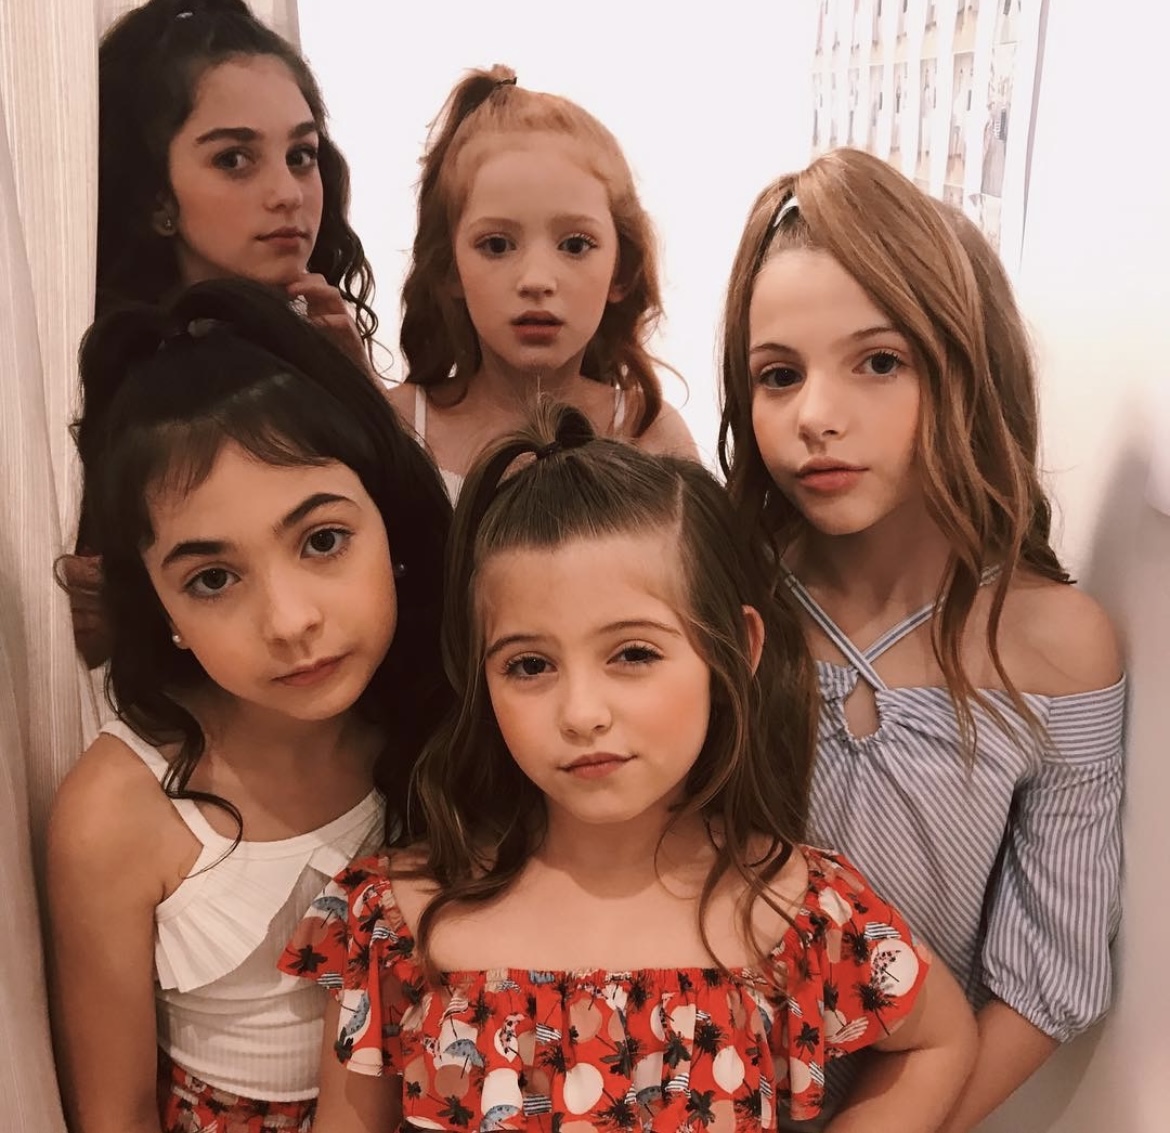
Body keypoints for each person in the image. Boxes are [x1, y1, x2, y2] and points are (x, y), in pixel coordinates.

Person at [282, 404, 978, 1133]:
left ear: (735, 647)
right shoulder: (398, 920)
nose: (581, 713)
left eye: (633, 653)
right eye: (529, 665)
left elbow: (938, 1039)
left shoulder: (796, 912)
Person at [718, 147, 1124, 1130]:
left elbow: (1051, 970)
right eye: (779, 374)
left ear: (967, 367)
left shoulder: (1056, 645)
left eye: (879, 361)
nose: (817, 415)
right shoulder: (723, 597)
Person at [47, 279, 451, 1133]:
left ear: (389, 521)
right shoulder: (117, 811)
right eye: (213, 579)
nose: (289, 620)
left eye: (323, 540)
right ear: (160, 607)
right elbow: (114, 1117)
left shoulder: (455, 722)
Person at [65, 0, 379, 668]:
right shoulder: (120, 379)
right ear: (157, 199)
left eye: (301, 156)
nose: (288, 193)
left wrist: (363, 395)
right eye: (235, 159)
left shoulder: (325, 343)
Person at [389, 65, 697, 499]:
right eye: (497, 245)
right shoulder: (401, 429)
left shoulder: (650, 434)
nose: (536, 281)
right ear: (450, 268)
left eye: (575, 245)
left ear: (622, 270)